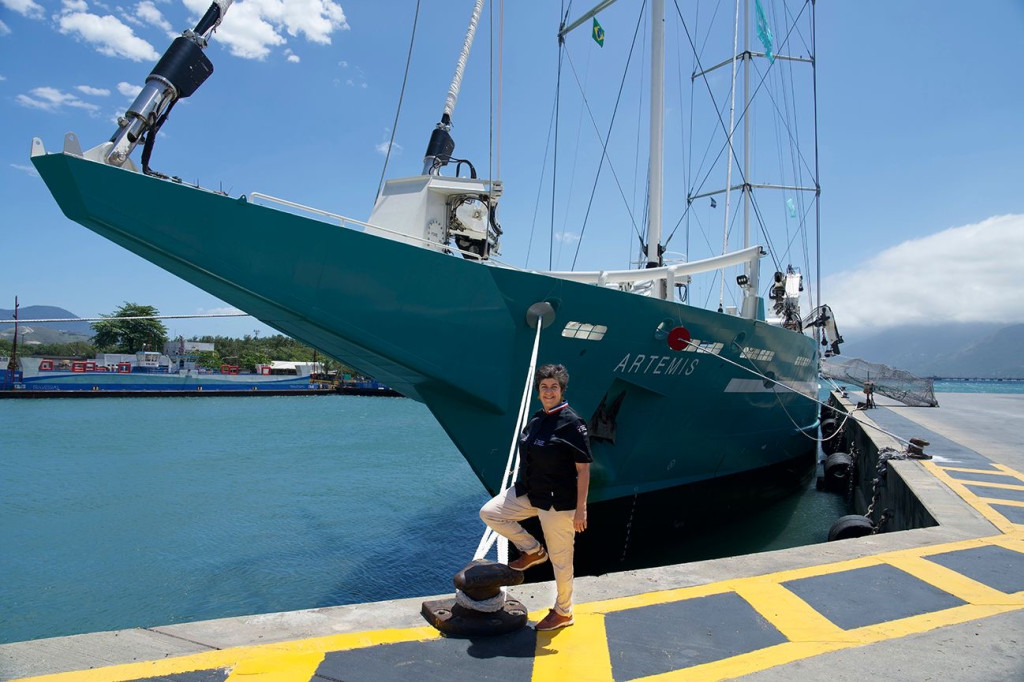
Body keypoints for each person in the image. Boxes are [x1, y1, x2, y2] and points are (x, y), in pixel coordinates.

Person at [479, 363, 592, 631]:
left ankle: (564, 611)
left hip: (558, 501)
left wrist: (581, 509)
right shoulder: (537, 419)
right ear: (538, 391)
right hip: (531, 493)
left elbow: (584, 468)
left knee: (562, 562)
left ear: (562, 391)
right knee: (490, 513)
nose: (549, 391)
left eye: (554, 387)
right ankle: (532, 550)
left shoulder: (572, 423)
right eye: (544, 387)